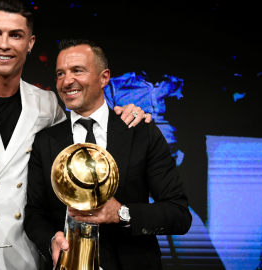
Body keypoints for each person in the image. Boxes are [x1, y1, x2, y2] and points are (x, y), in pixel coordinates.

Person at [0, 1, 151, 269]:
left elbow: (84, 133)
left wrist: (126, 112)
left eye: (15, 35)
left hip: (24, 256)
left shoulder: (47, 103)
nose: (4, 44)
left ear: (30, 42)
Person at [24, 39, 192, 269]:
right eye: (60, 74)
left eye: (77, 70)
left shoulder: (140, 132)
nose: (67, 81)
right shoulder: (46, 141)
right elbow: (34, 213)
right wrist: (51, 241)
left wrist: (121, 214)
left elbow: (179, 214)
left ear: (104, 77)